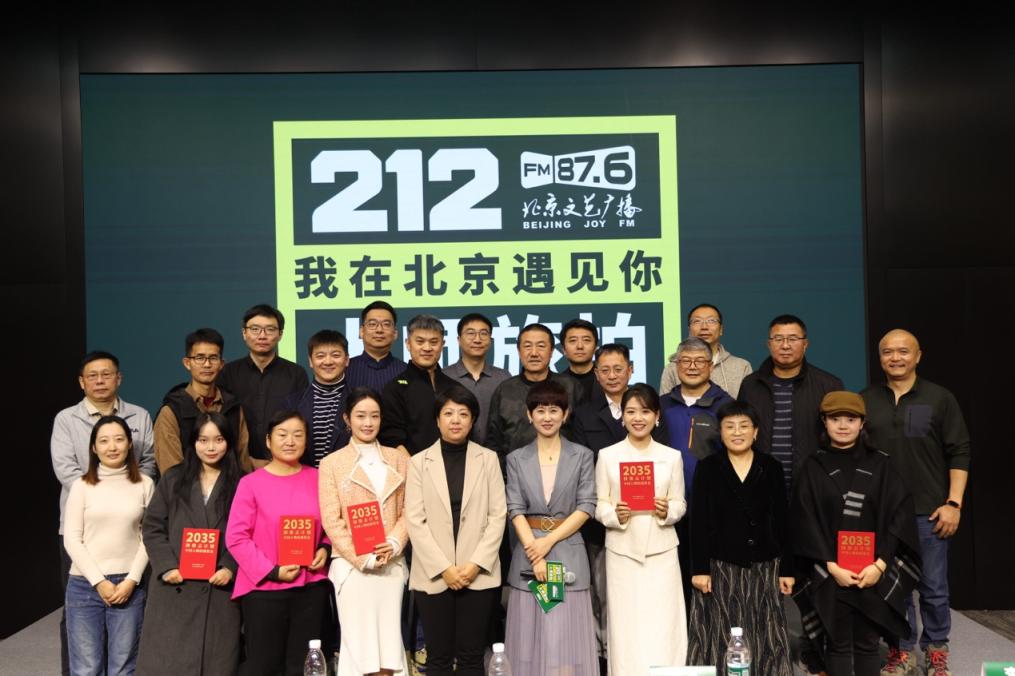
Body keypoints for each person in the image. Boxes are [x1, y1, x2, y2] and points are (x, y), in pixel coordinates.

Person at [861, 329, 970, 675]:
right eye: (887, 352)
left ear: (918, 356)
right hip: (882, 513)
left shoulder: (939, 398)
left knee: (934, 588)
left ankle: (936, 651)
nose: (895, 357)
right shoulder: (866, 400)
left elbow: (959, 451)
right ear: (880, 357)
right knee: (894, 589)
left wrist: (954, 503)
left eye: (903, 351)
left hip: (929, 512)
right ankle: (901, 651)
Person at [793, 392, 920, 676]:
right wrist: (831, 566)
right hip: (830, 572)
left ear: (862, 423)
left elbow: (899, 518)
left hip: (872, 571)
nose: (842, 425)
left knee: (867, 644)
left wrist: (880, 565)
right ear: (824, 422)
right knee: (836, 644)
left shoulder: (882, 464)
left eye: (850, 419)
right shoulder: (813, 466)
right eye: (835, 419)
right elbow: (804, 520)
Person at [51, 351, 156, 675]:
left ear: (118, 378)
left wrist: (128, 486)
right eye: (92, 376)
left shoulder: (139, 416)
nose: (100, 381)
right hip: (83, 540)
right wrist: (97, 488)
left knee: (125, 655)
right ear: (82, 382)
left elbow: (149, 460)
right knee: (83, 648)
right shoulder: (67, 419)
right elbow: (65, 468)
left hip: (128, 552)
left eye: (106, 374)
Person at [570, 343, 667, 666]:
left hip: (651, 523)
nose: (612, 375)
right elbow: (583, 468)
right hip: (606, 523)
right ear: (596, 374)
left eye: (618, 369)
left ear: (631, 369)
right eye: (605, 370)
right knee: (605, 595)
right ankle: (607, 658)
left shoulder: (649, 408)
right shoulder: (584, 414)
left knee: (649, 596)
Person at [405, 386, 507, 676]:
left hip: (478, 574)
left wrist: (475, 564)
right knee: (437, 657)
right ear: (437, 420)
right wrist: (444, 568)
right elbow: (415, 520)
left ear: (473, 420)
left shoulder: (488, 458)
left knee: (472, 657)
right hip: (434, 574)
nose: (455, 420)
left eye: (463, 414)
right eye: (448, 413)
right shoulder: (418, 462)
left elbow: (498, 515)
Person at [687, 400, 793, 676]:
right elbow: (698, 520)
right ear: (720, 432)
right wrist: (700, 568)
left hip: (765, 565)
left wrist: (787, 569)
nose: (737, 432)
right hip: (721, 565)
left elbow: (782, 519)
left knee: (767, 632)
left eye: (744, 426)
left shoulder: (771, 466)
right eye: (730, 426)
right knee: (720, 632)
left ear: (755, 432)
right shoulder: (708, 467)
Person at [226, 410, 332, 676]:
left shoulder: (319, 478)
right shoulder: (250, 483)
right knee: (264, 666)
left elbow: (333, 523)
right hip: (264, 589)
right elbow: (236, 537)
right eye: (282, 435)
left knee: (305, 665)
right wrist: (273, 571)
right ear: (268, 440)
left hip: (310, 587)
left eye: (298, 435)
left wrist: (325, 547)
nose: (290, 441)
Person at [137, 412, 244, 675]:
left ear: (229, 442)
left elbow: (249, 532)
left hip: (219, 587)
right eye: (203, 440)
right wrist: (167, 566)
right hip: (175, 585)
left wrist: (230, 567)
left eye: (218, 440)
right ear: (193, 442)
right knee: (169, 662)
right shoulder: (173, 479)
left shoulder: (242, 482)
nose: (210, 447)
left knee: (215, 663)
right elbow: (152, 527)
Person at [504, 381, 598, 675]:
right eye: (540, 410)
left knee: (565, 647)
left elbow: (586, 506)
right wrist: (535, 552)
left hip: (568, 555)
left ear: (565, 415)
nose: (547, 417)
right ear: (529, 415)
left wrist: (547, 542)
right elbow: (515, 509)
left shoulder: (582, 455)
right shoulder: (516, 459)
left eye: (554, 410)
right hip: (528, 557)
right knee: (528, 647)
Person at [595, 384, 687, 674]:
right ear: (622, 416)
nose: (638, 418)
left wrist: (667, 511)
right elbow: (600, 505)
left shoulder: (671, 456)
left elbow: (680, 503)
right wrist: (615, 514)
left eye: (645, 411)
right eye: (631, 411)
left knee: (664, 622)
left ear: (657, 416)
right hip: (622, 550)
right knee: (626, 624)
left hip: (662, 550)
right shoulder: (607, 455)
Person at [319, 388, 411, 676]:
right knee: (359, 649)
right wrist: (363, 557)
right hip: (352, 567)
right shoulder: (332, 463)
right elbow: (331, 519)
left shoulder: (399, 459)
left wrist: (394, 543)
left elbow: (411, 509)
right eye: (360, 416)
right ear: (347, 419)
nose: (368, 423)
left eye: (374, 416)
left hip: (391, 564)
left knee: (389, 646)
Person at [63, 415, 155, 676]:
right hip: (84, 585)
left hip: (129, 585)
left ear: (129, 444)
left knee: (123, 667)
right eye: (104, 441)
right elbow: (72, 538)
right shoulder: (81, 485)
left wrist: (132, 580)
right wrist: (99, 581)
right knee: (86, 668)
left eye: (119, 439)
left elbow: (149, 537)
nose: (112, 447)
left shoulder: (145, 484)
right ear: (94, 447)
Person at [737, 314, 843, 493]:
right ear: (769, 344)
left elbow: (841, 438)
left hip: (812, 486)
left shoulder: (829, 385)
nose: (785, 345)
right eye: (778, 339)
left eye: (792, 339)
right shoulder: (750, 385)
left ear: (805, 344)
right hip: (760, 486)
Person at [154, 328, 253, 474]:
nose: (207, 364)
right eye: (200, 358)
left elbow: (243, 463)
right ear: (187, 363)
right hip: (185, 488)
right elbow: (171, 474)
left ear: (221, 364)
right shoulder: (171, 411)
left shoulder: (233, 408)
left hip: (232, 487)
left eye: (213, 358)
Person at [219, 304, 309, 464]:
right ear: (244, 333)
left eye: (270, 329)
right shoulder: (228, 373)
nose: (262, 336)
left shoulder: (296, 374)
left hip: (284, 462)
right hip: (237, 463)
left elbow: (300, 421)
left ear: (280, 334)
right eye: (255, 329)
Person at [486, 323, 579, 458]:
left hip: (564, 467)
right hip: (513, 469)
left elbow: (582, 435)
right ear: (519, 351)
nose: (534, 353)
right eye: (527, 346)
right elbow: (493, 441)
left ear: (552, 351)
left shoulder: (570, 387)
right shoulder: (505, 389)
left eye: (541, 346)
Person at [661, 337, 734, 497]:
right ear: (677, 365)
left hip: (712, 497)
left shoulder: (727, 406)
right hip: (666, 499)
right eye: (686, 361)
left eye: (700, 361)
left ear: (711, 366)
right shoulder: (661, 405)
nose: (692, 367)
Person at [379, 314, 457, 456]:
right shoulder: (395, 388)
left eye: (434, 342)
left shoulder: (455, 388)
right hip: (410, 466)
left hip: (453, 465)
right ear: (408, 343)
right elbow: (391, 436)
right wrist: (413, 466)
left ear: (442, 344)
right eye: (420, 341)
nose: (427, 348)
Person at [283, 329, 352, 468]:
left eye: (335, 355)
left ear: (346, 360)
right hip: (302, 478)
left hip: (346, 478)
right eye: (320, 356)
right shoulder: (292, 403)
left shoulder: (359, 402)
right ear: (310, 361)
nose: (328, 362)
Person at [660, 303, 753, 398]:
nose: (704, 327)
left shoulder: (742, 366)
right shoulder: (673, 368)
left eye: (711, 321)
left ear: (721, 329)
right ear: (689, 330)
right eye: (697, 321)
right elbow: (665, 405)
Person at [443, 313, 510, 445]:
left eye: (483, 333)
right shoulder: (444, 377)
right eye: (471, 333)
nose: (477, 339)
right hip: (455, 452)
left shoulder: (503, 377)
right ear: (459, 339)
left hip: (496, 453)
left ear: (490, 340)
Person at [345, 301, 407, 393]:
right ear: (361, 331)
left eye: (386, 324)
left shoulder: (406, 371)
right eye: (372, 324)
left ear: (395, 333)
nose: (379, 330)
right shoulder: (345, 369)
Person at [558, 318, 600, 405]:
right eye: (573, 340)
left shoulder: (608, 379)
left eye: (586, 340)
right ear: (563, 350)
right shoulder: (556, 384)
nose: (580, 346)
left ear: (596, 348)